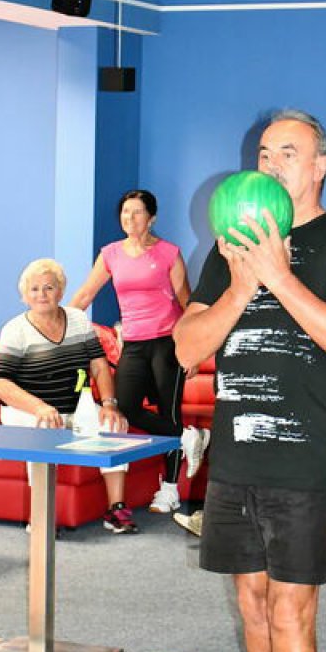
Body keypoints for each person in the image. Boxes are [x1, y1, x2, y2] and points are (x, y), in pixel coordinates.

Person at [174, 110, 326, 652]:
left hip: (305, 460)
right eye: (265, 153)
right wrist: (241, 287)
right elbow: (186, 348)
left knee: (293, 612)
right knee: (254, 610)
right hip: (237, 458)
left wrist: (280, 276)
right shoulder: (227, 246)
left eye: (288, 153)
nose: (271, 164)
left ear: (320, 165)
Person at [70, 189, 208, 514]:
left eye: (137, 212)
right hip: (132, 343)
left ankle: (170, 490)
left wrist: (196, 351)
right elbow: (86, 294)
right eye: (125, 212)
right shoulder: (110, 254)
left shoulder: (168, 253)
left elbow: (188, 303)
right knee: (126, 407)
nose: (129, 219)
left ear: (152, 218)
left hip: (167, 342)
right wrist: (58, 323)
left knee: (167, 413)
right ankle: (190, 436)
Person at [0, 258, 137, 533]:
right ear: (24, 296)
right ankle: (40, 517)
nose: (42, 295)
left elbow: (99, 364)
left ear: (61, 291)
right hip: (25, 410)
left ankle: (116, 510)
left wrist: (108, 403)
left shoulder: (78, 320)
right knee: (42, 431)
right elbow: (0, 383)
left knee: (114, 426)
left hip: (74, 408)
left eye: (49, 287)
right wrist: (39, 408)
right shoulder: (15, 329)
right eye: (34, 289)